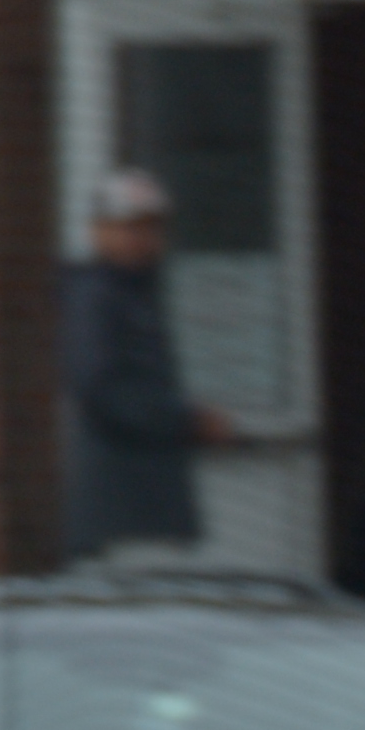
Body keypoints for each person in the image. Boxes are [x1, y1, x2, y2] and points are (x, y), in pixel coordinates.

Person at [59, 168, 231, 569]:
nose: (142, 239)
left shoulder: (136, 293)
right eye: (129, 227)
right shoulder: (95, 297)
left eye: (152, 227)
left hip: (142, 512)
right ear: (98, 231)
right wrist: (186, 421)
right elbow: (102, 391)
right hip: (120, 516)